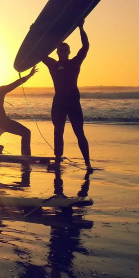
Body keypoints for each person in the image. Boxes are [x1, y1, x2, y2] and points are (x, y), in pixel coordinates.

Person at [42, 20, 91, 169]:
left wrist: (81, 28)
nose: (63, 52)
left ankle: (88, 163)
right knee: (58, 132)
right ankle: (58, 160)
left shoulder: (75, 62)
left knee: (79, 132)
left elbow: (85, 46)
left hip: (73, 101)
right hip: (59, 102)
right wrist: (37, 33)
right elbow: (40, 52)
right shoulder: (52, 64)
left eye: (65, 50)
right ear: (57, 52)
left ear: (69, 52)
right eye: (60, 50)